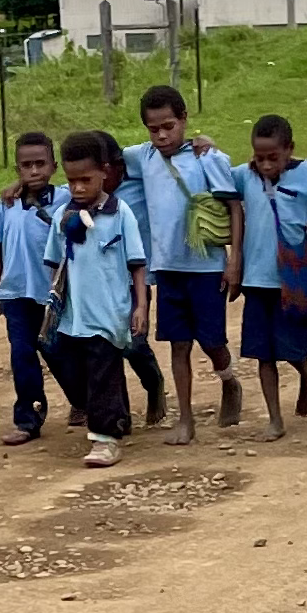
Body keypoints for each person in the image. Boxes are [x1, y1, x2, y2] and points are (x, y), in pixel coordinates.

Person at [123, 85, 243, 445]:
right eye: (153, 128)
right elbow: (101, 156)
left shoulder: (208, 158)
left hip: (206, 268)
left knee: (211, 341)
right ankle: (186, 419)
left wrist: (234, 259)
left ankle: (228, 380)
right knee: (178, 344)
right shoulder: (142, 157)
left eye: (169, 126)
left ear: (185, 119)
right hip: (168, 268)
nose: (161, 135)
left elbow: (234, 205)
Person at [40, 131, 149, 469]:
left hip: (110, 312)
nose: (78, 188)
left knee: (104, 370)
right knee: (79, 368)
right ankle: (117, 418)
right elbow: (54, 263)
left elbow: (137, 265)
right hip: (74, 315)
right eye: (71, 181)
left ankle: (106, 439)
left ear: (104, 172)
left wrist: (141, 306)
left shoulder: (120, 214)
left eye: (86, 179)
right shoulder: (62, 217)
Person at [233, 115, 307, 439]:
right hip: (255, 280)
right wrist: (205, 149)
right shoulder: (243, 176)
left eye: (272, 157)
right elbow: (213, 179)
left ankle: (306, 372)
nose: (264, 164)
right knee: (262, 353)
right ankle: (274, 419)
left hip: (291, 279)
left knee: (293, 348)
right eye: (258, 157)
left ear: (289, 149)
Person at [0, 131, 66, 446]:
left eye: (40, 164)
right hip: (16, 293)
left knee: (58, 352)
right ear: (17, 169)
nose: (34, 171)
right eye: (26, 165)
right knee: (21, 355)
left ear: (53, 166)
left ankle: (82, 401)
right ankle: (28, 419)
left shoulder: (66, 199)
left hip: (53, 294)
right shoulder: (6, 204)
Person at [95, 130, 169, 427]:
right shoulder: (85, 193)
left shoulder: (138, 175)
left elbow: (162, 149)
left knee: (133, 344)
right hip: (98, 280)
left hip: (135, 277)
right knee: (105, 348)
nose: (98, 178)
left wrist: (204, 144)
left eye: (104, 171)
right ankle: (118, 416)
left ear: (118, 165)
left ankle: (154, 384)